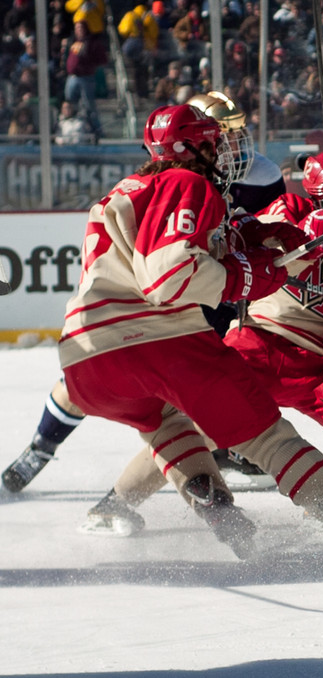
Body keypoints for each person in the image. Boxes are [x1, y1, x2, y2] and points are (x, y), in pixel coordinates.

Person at [55, 103, 323, 557]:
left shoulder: (131, 191)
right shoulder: (185, 181)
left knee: (167, 425)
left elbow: (222, 238)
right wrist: (246, 277)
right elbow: (167, 274)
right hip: (162, 339)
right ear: (191, 148)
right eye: (215, 143)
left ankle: (215, 505)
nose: (224, 153)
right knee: (267, 437)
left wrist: (285, 243)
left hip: (85, 360)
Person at [2, 91, 285, 494]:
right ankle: (46, 451)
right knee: (89, 385)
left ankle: (153, 487)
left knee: (201, 399)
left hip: (219, 291)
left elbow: (266, 230)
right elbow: (155, 255)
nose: (232, 146)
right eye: (223, 135)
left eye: (238, 134)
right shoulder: (169, 179)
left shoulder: (260, 174)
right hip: (165, 294)